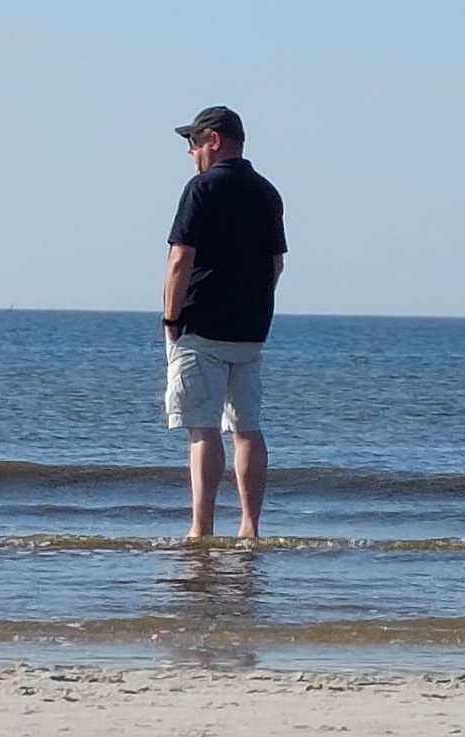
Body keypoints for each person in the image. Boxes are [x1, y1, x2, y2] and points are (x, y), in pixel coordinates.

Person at [162, 105, 286, 539]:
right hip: (250, 328)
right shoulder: (266, 192)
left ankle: (202, 527)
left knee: (203, 427)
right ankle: (250, 527)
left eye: (193, 143)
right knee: (247, 429)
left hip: (203, 326)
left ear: (213, 140)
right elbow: (276, 264)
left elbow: (180, 259)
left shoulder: (203, 188)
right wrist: (256, 305)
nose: (191, 152)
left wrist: (171, 318)